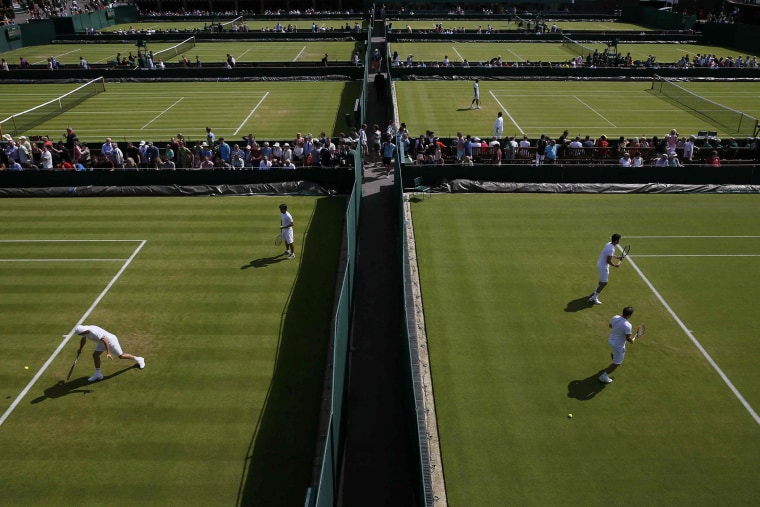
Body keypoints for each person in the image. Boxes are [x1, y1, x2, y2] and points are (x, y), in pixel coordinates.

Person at [73, 324, 145, 382]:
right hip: (101, 343)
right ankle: (98, 374)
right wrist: (80, 349)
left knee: (121, 356)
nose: (79, 335)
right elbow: (83, 340)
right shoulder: (84, 331)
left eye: (79, 334)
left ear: (83, 331)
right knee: (95, 355)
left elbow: (105, 341)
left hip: (110, 341)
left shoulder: (94, 331)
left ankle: (139, 359)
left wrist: (108, 352)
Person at [598, 306, 635, 384]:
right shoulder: (628, 325)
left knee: (614, 353)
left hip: (611, 340)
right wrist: (632, 341)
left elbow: (610, 326)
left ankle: (613, 361)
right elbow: (628, 338)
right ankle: (603, 376)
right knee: (617, 363)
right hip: (618, 345)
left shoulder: (615, 317)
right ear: (629, 316)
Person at [589, 233, 623, 305]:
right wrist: (615, 265)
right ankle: (594, 298)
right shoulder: (611, 249)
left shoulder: (608, 244)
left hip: (601, 264)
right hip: (603, 266)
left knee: (602, 280)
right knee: (604, 282)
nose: (619, 241)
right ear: (616, 241)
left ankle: (595, 291)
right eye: (619, 240)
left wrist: (617, 257)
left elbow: (608, 255)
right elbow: (608, 260)